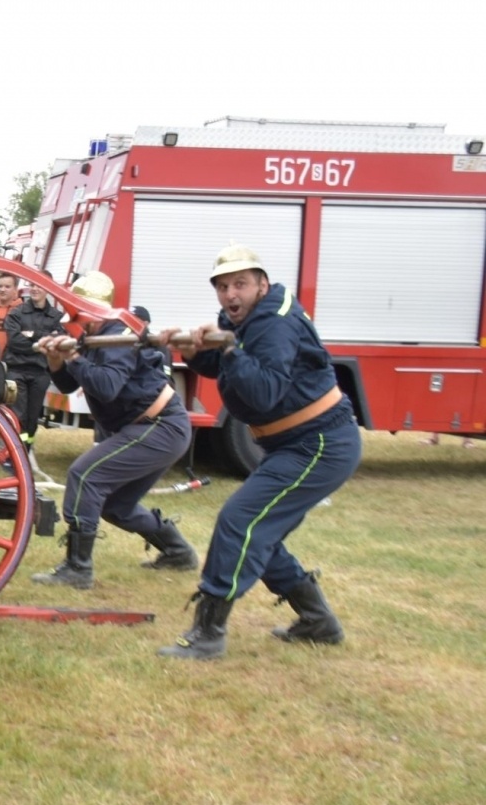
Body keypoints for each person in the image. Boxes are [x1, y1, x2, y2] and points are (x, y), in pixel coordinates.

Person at [155, 245, 361, 660]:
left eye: (241, 284)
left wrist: (230, 350)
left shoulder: (274, 324)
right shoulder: (243, 319)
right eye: (223, 287)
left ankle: (208, 634)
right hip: (291, 444)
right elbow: (223, 369)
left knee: (240, 521)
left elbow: (263, 390)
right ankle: (319, 622)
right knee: (259, 536)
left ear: (261, 285)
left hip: (320, 444)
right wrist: (198, 354)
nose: (231, 295)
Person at [30, 271, 197, 590]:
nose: (75, 321)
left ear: (92, 309)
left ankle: (78, 569)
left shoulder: (118, 334)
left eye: (79, 312)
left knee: (85, 475)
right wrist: (56, 360)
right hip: (151, 427)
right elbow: (68, 383)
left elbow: (106, 386)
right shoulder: (94, 336)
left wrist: (75, 357)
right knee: (116, 507)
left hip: (160, 425)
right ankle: (178, 552)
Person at [3, 274, 68, 449]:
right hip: (17, 371)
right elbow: (15, 342)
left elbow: (61, 340)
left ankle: (25, 450)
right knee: (18, 416)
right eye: (32, 284)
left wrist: (33, 336)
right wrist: (45, 341)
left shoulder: (57, 317)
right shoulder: (16, 313)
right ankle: (12, 454)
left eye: (39, 285)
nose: (35, 288)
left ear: (48, 288)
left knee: (32, 419)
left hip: (41, 373)